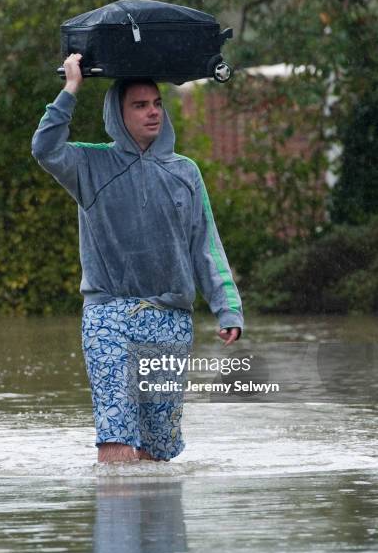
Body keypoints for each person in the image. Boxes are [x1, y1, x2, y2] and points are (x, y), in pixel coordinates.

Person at [31, 53, 243, 463]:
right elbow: (44, 147)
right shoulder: (89, 164)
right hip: (110, 315)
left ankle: (151, 525)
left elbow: (206, 246)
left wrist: (227, 307)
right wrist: (71, 88)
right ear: (118, 113)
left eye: (157, 104)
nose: (152, 113)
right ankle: (116, 526)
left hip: (170, 319)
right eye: (139, 105)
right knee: (116, 439)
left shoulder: (186, 173)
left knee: (155, 452)